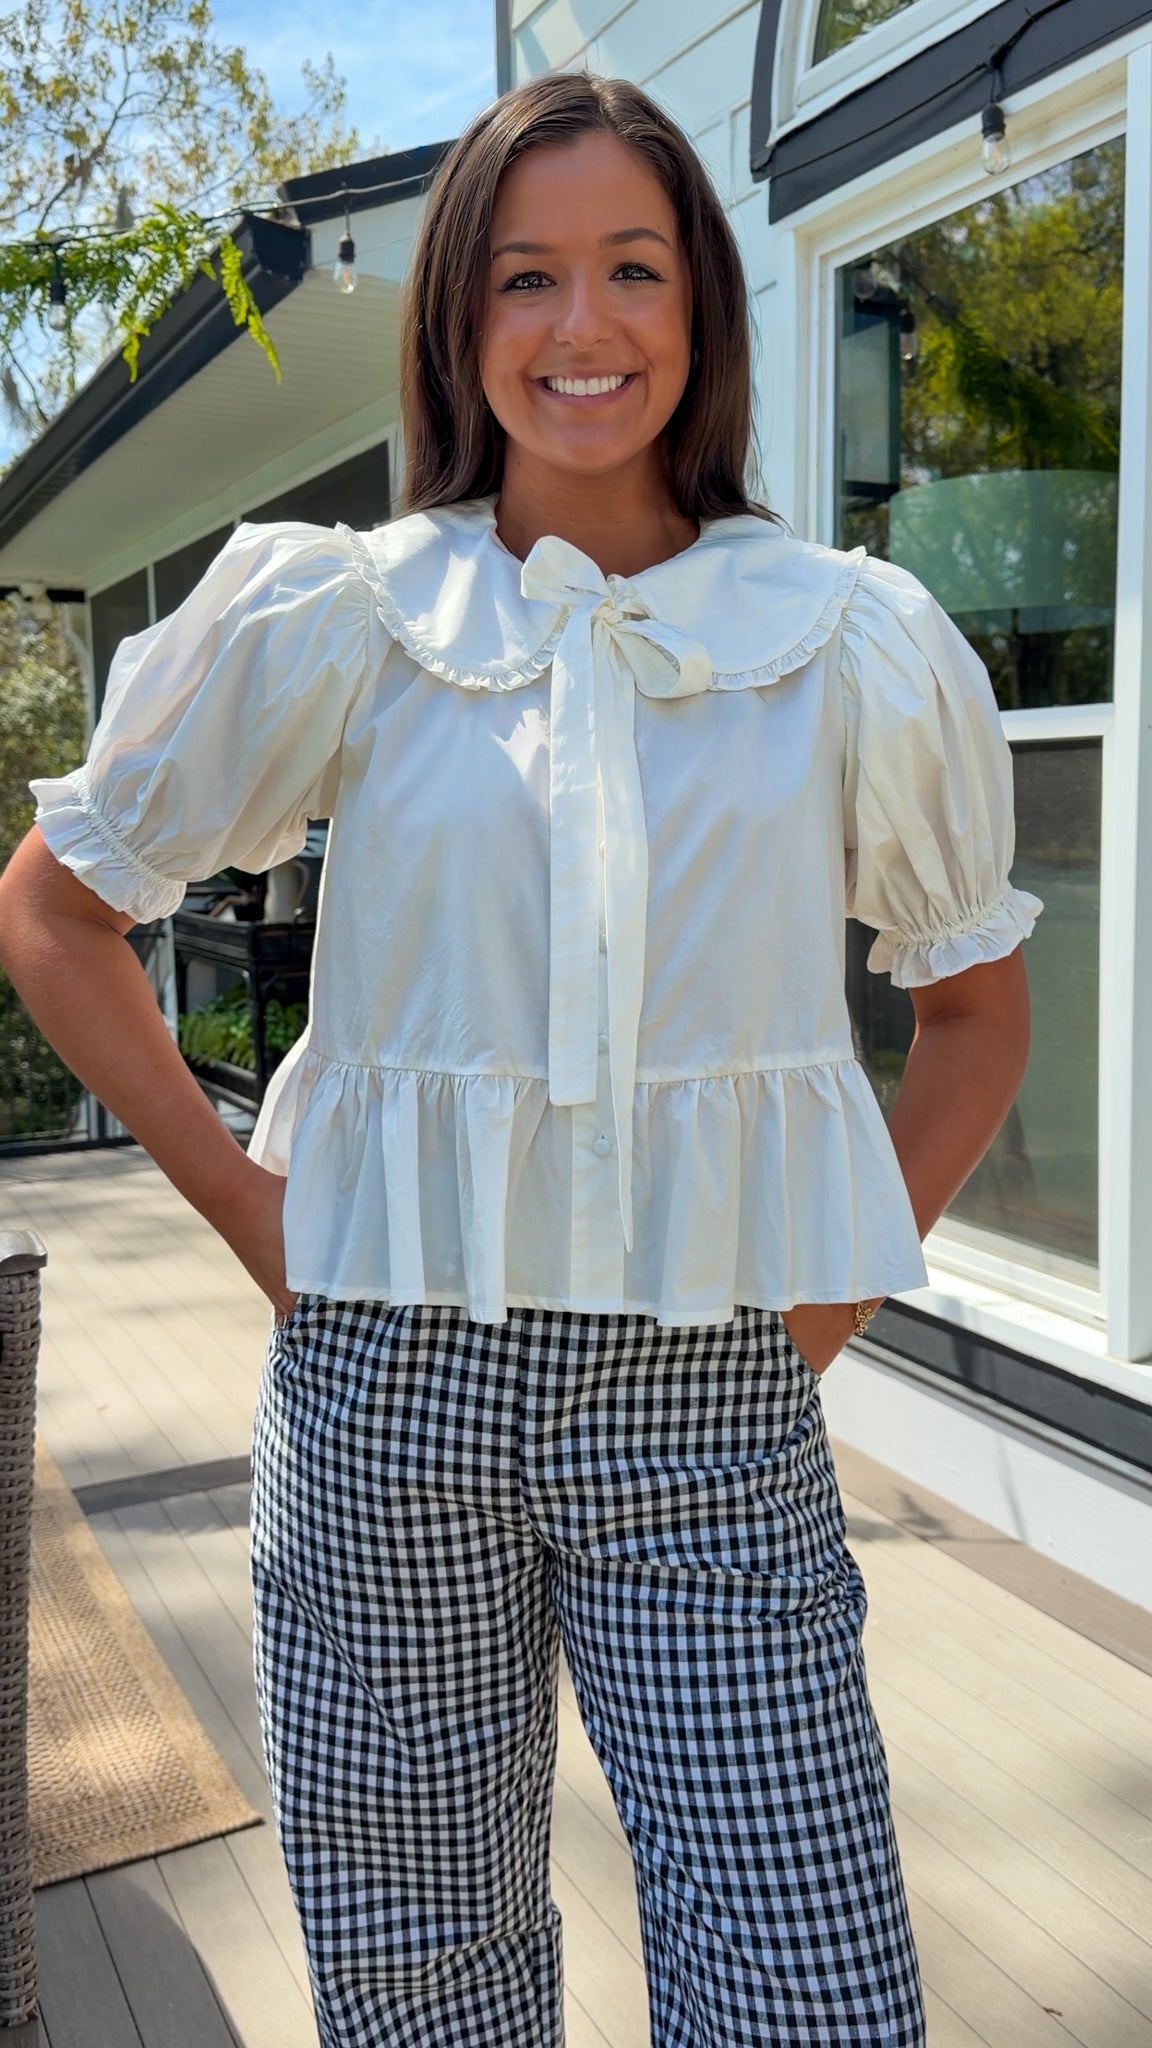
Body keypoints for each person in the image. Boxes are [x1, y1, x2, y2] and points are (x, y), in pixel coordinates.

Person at [0, 69, 1040, 2048]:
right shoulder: (337, 613)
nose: (583, 327)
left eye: (633, 268)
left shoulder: (848, 640)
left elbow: (973, 1010)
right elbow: (57, 908)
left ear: (703, 304)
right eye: (526, 276)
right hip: (387, 1375)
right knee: (425, 1978)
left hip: (714, 1385)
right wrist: (253, 1216)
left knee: (810, 1985)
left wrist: (811, 1301)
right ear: (460, 323)